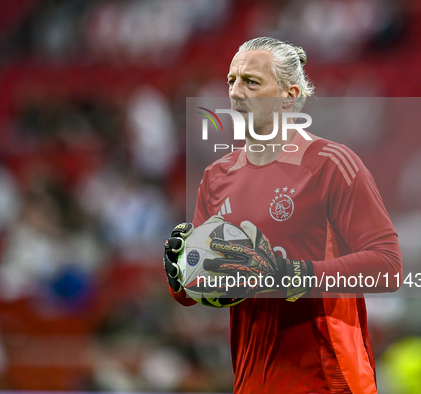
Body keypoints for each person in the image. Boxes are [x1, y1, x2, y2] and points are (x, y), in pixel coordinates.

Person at [163, 37, 402, 394]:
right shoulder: (216, 177)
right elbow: (202, 286)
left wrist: (297, 274)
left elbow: (388, 267)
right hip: (251, 382)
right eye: (232, 81)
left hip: (328, 380)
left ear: (289, 95)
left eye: (251, 82)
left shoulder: (332, 165)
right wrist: (179, 274)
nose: (236, 92)